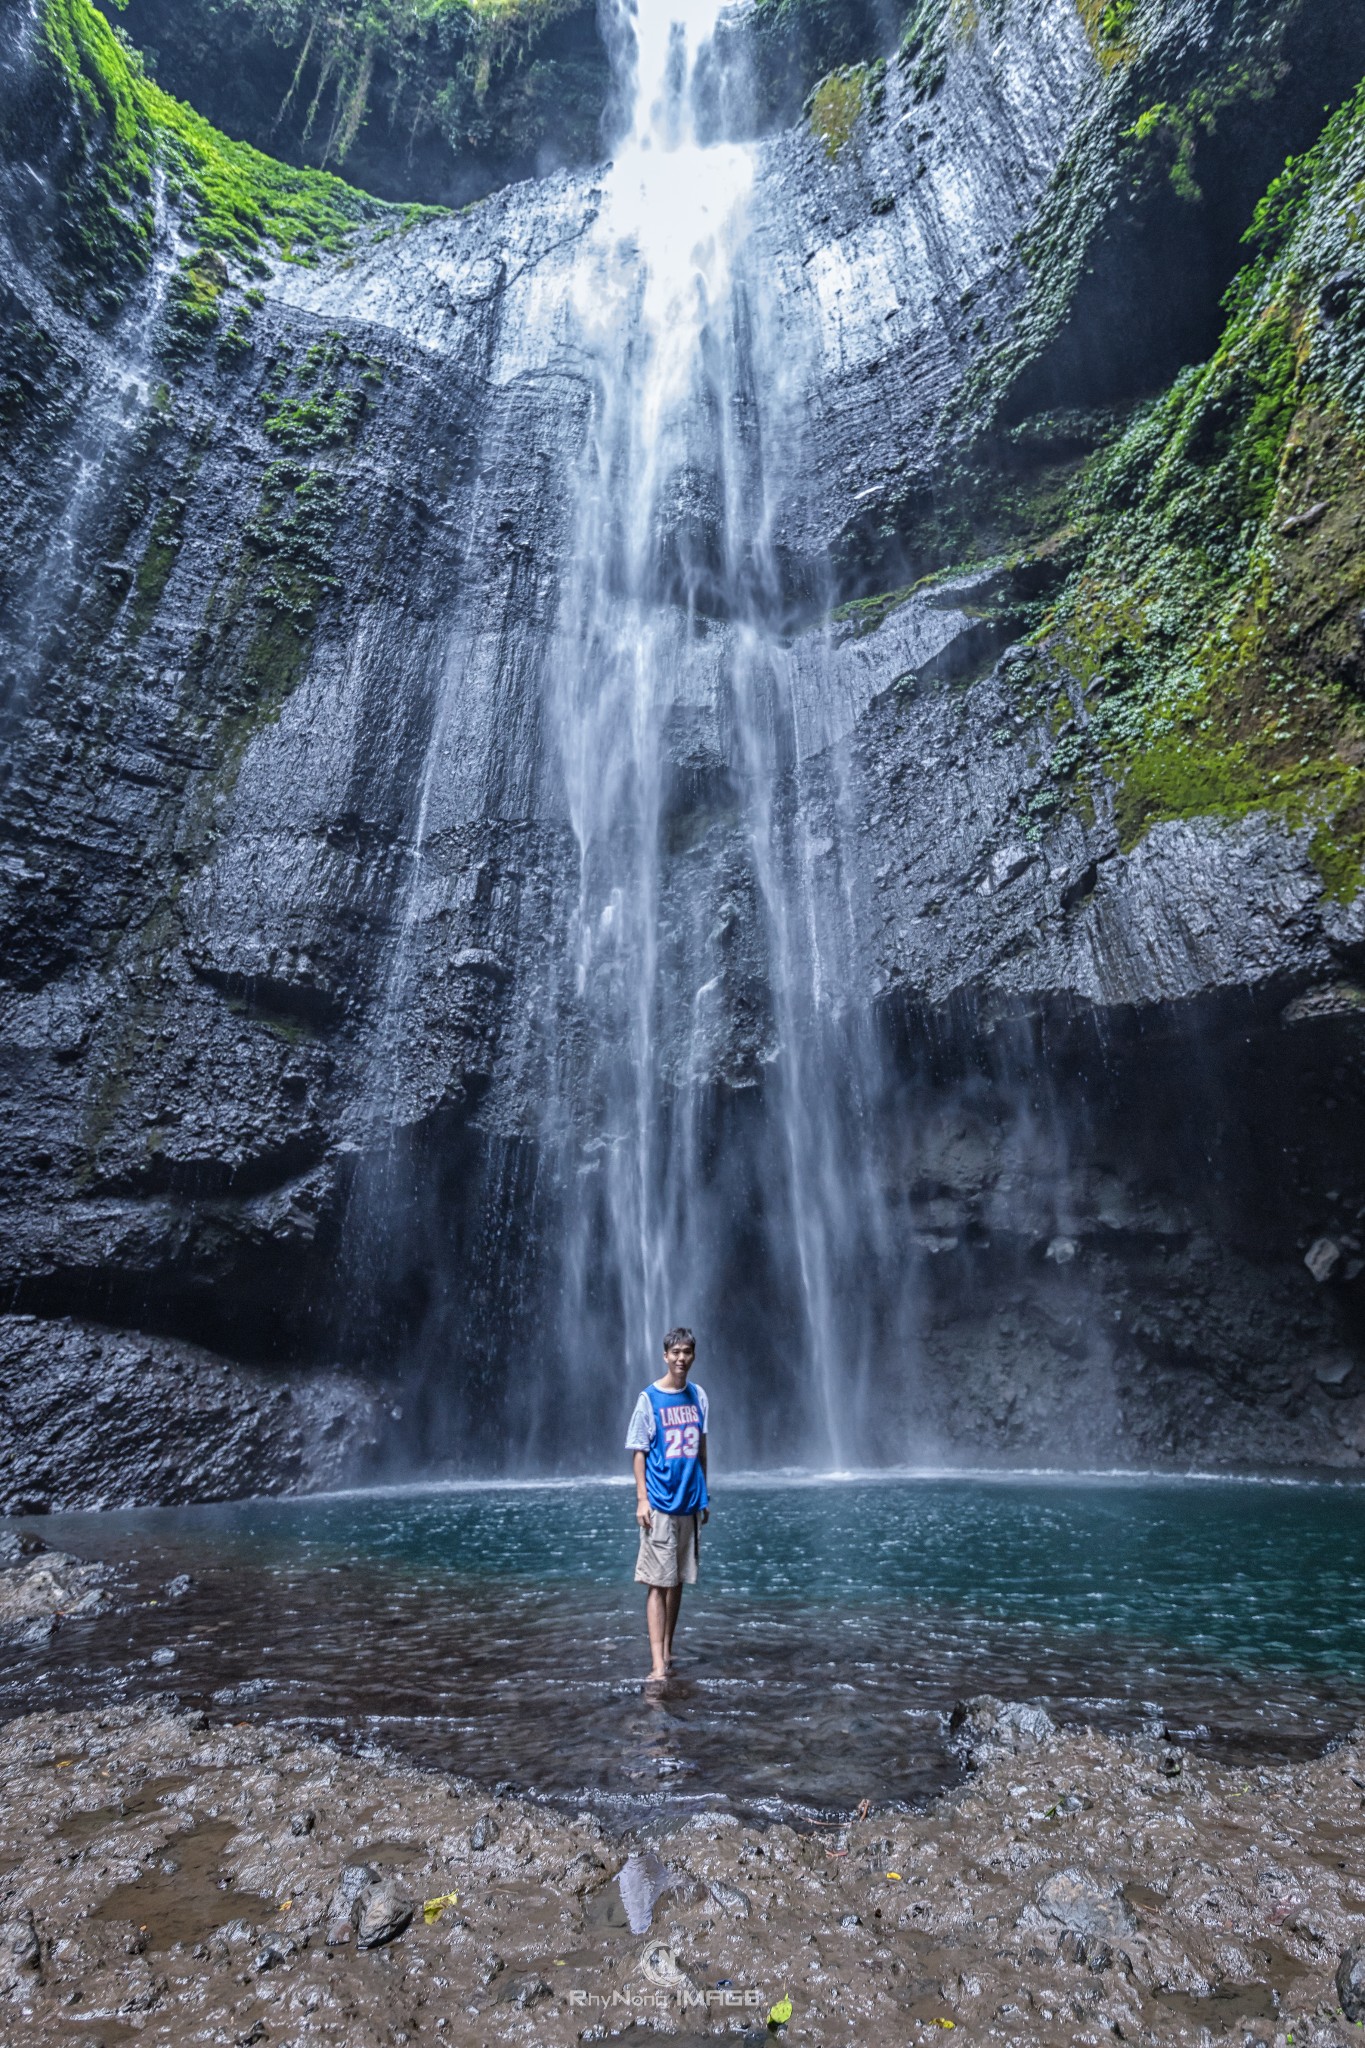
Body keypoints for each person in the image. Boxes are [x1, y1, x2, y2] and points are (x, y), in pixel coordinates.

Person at [625, 1325, 709, 1681]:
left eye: (686, 1352)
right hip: (659, 1502)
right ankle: (657, 1664)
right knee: (657, 1583)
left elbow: (702, 1449)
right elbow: (639, 1452)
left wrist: (705, 1494)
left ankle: (668, 1650)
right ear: (665, 1355)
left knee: (676, 1581)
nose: (681, 1358)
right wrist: (642, 1499)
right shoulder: (649, 1399)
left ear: (693, 1355)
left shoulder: (699, 1396)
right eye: (675, 1352)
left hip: (689, 1502)